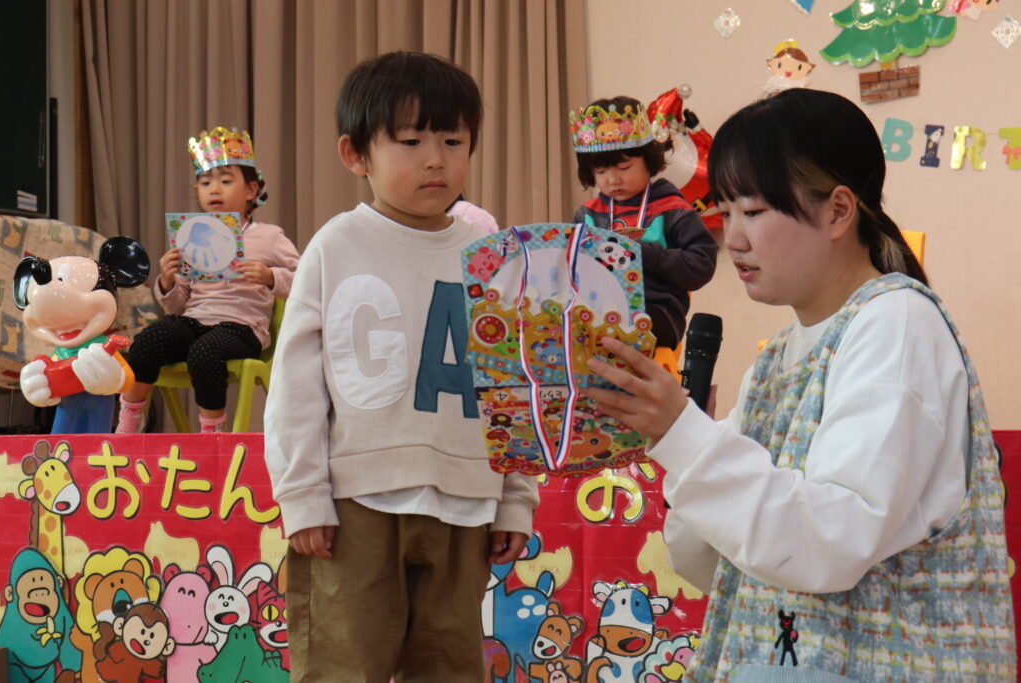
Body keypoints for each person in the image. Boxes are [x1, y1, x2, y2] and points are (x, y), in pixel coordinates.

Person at [585, 88, 1015, 680]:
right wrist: (679, 442)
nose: (733, 238)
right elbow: (712, 563)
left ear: (838, 211)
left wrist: (685, 435)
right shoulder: (776, 358)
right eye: (725, 212)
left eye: (754, 212)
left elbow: (831, 543)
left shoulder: (897, 323)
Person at [263, 51, 539, 682]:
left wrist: (516, 499)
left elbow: (514, 386)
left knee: (450, 666)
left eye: (452, 141)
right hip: (356, 502)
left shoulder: (492, 257)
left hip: (467, 501)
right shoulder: (336, 245)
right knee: (342, 664)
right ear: (355, 154)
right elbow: (296, 385)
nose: (435, 159)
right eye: (411, 142)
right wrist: (303, 495)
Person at [115, 127, 300, 433]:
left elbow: (306, 277)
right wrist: (167, 280)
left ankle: (211, 434)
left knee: (205, 353)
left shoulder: (269, 236)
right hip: (194, 320)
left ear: (251, 190)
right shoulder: (192, 235)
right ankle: (129, 422)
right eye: (205, 183)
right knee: (148, 341)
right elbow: (177, 308)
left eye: (226, 181)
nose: (214, 189)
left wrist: (271, 276)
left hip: (242, 327)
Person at [569, 95, 717, 349]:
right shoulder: (587, 215)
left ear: (649, 161)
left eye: (624, 167)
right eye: (601, 172)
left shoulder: (673, 209)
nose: (612, 179)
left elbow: (702, 266)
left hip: (657, 311)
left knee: (615, 327)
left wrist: (645, 255)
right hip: (595, 309)